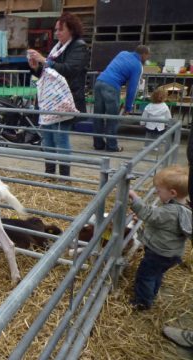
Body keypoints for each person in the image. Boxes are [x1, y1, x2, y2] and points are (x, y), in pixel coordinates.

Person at [26, 12, 89, 177]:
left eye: (60, 29)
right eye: (56, 30)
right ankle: (50, 175)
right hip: (49, 102)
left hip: (65, 102)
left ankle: (64, 177)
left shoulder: (79, 46)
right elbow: (48, 74)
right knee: (47, 139)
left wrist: (44, 61)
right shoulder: (57, 48)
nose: (57, 33)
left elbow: (70, 70)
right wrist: (36, 67)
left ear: (71, 30)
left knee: (61, 139)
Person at [128, 165, 192, 310]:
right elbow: (161, 222)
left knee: (145, 275)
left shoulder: (170, 211)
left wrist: (135, 198)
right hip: (172, 254)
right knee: (156, 273)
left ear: (172, 193)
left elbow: (150, 215)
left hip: (159, 253)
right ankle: (152, 293)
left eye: (158, 192)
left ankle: (142, 302)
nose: (157, 194)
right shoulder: (184, 208)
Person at [92, 45, 150, 152]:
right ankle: (112, 146)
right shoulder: (138, 66)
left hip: (99, 82)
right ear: (144, 54)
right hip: (111, 86)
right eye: (147, 56)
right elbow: (132, 89)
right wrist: (128, 107)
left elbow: (113, 67)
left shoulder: (122, 53)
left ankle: (98, 144)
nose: (147, 59)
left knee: (98, 116)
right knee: (112, 118)